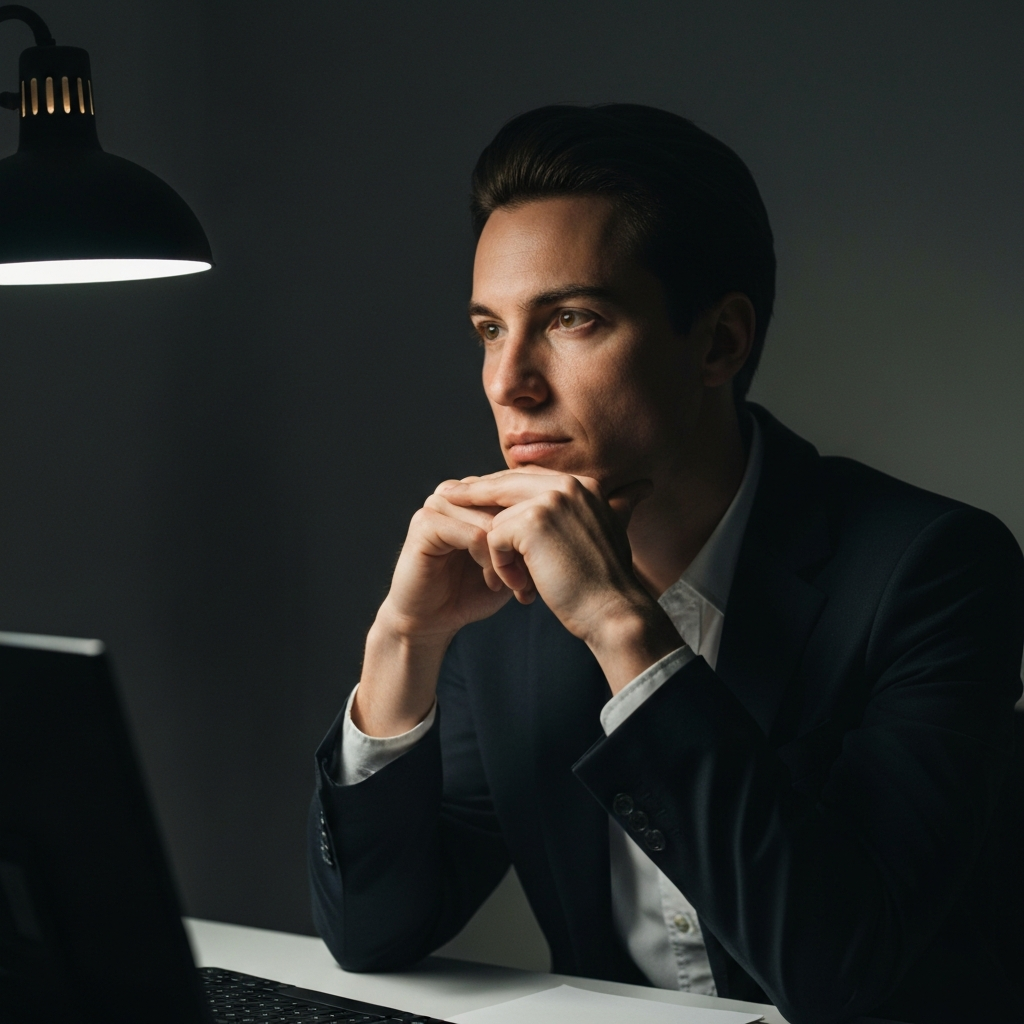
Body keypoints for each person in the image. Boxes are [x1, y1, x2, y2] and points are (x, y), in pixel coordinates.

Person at [307, 104, 1024, 1024]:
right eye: (491, 329)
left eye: (570, 318)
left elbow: (841, 975)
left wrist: (621, 627)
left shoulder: (932, 571)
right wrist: (404, 640)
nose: (506, 382)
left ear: (720, 340)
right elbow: (374, 933)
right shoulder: (500, 594)